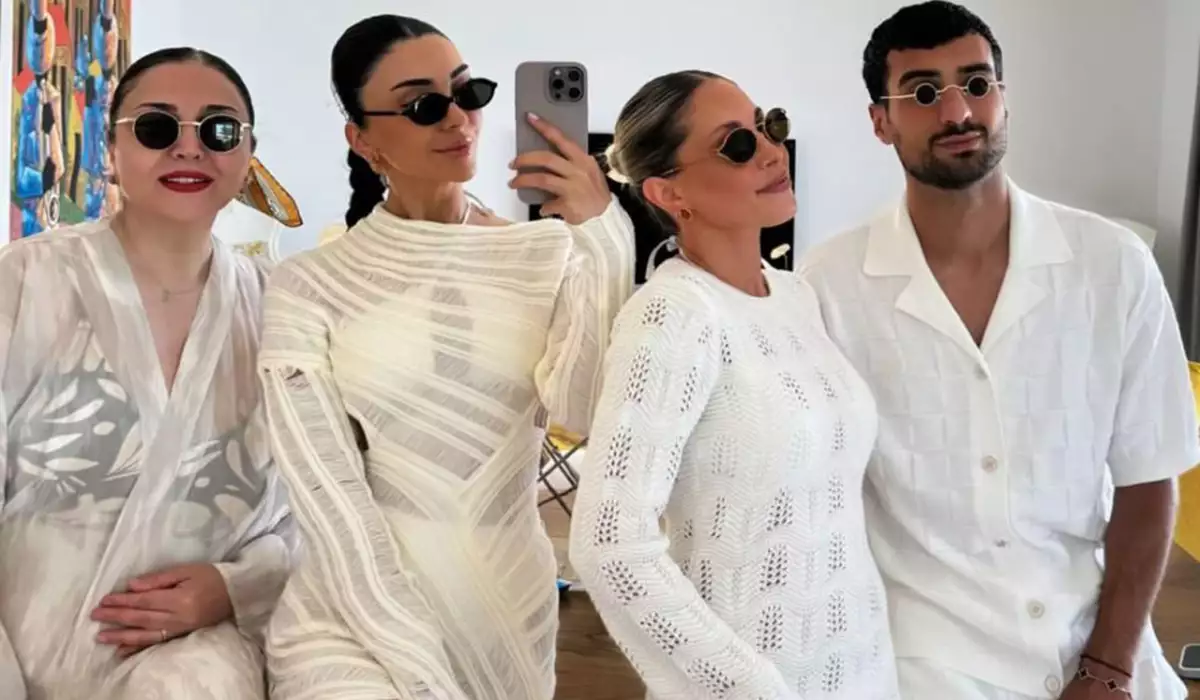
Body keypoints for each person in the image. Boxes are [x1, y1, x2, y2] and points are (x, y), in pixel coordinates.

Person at [797, 3, 1197, 699]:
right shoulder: (828, 287)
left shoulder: (1113, 266)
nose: (958, 111)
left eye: (977, 84)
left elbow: (1148, 477)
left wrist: (1107, 669)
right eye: (924, 91)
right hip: (922, 661)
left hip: (1101, 640)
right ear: (881, 121)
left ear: (1004, 98)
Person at [259, 14, 634, 700]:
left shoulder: (546, 253)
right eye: (423, 106)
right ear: (361, 139)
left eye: (469, 92)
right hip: (352, 613)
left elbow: (584, 411)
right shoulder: (309, 283)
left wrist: (603, 237)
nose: (459, 118)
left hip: (507, 610)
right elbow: (327, 495)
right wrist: (411, 650)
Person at [568, 70, 899, 699]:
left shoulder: (796, 296)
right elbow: (609, 544)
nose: (773, 151)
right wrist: (750, 687)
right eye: (737, 145)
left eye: (767, 126)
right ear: (669, 192)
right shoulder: (673, 315)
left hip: (862, 671)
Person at [0, 47, 297, 699]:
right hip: (19, 647)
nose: (189, 148)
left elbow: (314, 510)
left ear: (248, 154)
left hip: (195, 661)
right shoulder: (23, 283)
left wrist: (235, 586)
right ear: (111, 149)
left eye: (219, 129)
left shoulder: (281, 309)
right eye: (157, 127)